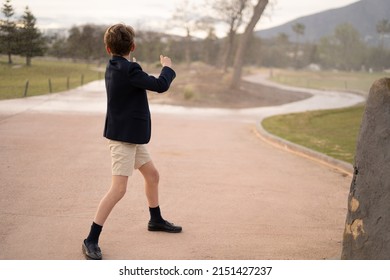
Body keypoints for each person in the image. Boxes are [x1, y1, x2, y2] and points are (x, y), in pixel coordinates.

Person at [82, 23, 181, 260]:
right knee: (118, 189)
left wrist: (129, 61)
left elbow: (130, 73)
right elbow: (160, 85)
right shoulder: (130, 69)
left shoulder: (115, 66)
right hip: (123, 139)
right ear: (133, 46)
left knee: (152, 176)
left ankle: (155, 220)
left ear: (108, 49)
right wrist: (167, 67)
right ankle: (91, 239)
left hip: (130, 136)